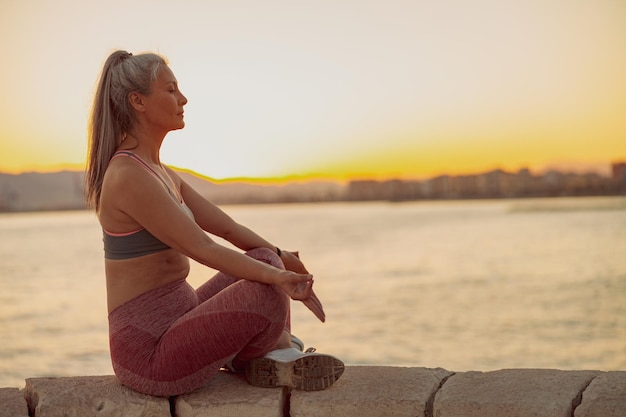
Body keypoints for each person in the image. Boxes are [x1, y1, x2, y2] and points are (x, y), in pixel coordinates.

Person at [84, 50, 344, 397]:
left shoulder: (161, 173)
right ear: (138, 101)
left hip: (180, 321)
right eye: (171, 90)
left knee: (263, 257)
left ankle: (268, 356)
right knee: (265, 288)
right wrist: (280, 280)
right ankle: (278, 353)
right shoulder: (127, 175)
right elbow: (202, 247)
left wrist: (282, 257)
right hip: (150, 355)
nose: (183, 98)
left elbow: (227, 228)